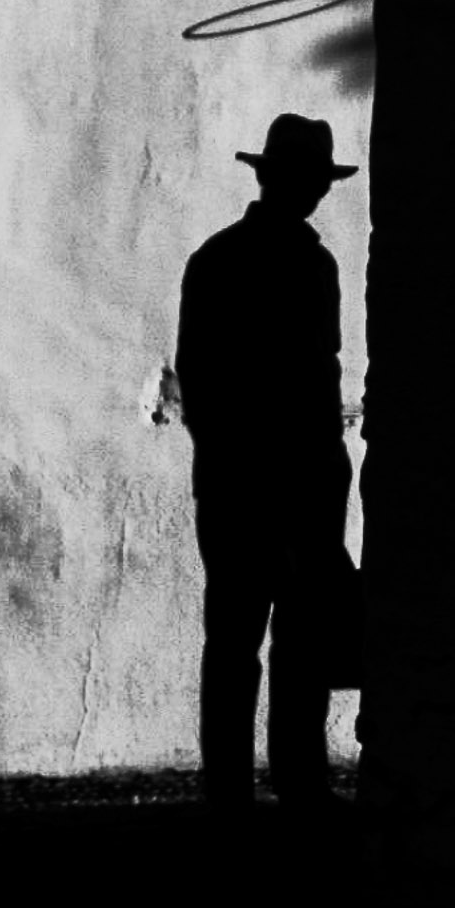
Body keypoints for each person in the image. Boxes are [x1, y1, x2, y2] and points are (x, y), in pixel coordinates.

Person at [175, 114, 357, 817]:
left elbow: (315, 376)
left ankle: (263, 784)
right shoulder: (248, 262)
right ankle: (269, 783)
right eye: (306, 179)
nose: (312, 192)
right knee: (253, 635)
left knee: (270, 636)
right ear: (275, 179)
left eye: (315, 181)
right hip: (254, 478)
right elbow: (210, 384)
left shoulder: (259, 260)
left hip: (281, 478)